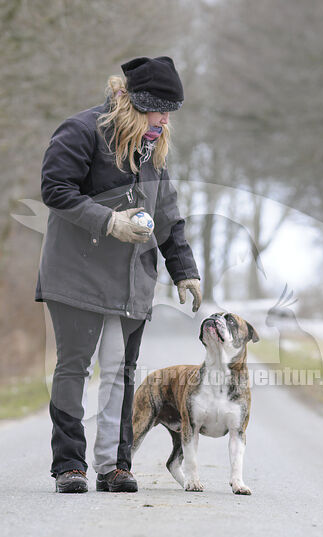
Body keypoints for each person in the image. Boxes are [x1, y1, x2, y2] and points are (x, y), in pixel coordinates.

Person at [35, 56, 202, 493]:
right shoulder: (81, 130)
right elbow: (55, 188)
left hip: (131, 281)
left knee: (119, 371)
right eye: (160, 109)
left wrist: (184, 270)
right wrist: (108, 222)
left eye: (170, 111)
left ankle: (113, 465)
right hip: (76, 274)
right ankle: (69, 465)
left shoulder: (153, 150)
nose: (166, 119)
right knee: (75, 367)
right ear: (136, 102)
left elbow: (167, 219)